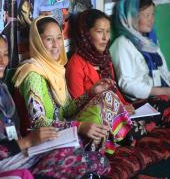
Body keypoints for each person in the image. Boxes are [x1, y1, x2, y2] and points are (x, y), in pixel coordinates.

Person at [0, 29, 110, 178]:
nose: (3, 61)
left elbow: (65, 110)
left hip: (22, 150)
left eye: (6, 54)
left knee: (90, 155)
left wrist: (90, 95)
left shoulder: (0, 89)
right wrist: (27, 142)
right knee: (83, 159)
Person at [12, 16, 132, 155]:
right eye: (49, 39)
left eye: (58, 38)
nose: (56, 45)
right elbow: (38, 122)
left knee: (106, 96)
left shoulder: (55, 69)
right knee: (96, 120)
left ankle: (107, 144)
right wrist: (79, 127)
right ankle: (100, 150)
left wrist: (91, 92)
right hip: (43, 141)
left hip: (64, 131)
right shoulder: (33, 74)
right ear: (37, 42)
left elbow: (66, 111)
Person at [66, 9, 170, 140]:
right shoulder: (76, 64)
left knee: (162, 102)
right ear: (86, 34)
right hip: (96, 117)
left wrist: (124, 106)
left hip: (117, 112)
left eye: (107, 31)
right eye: (100, 32)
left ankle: (134, 129)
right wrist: (116, 109)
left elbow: (115, 89)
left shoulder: (104, 58)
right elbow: (77, 106)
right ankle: (131, 132)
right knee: (128, 125)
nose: (106, 38)